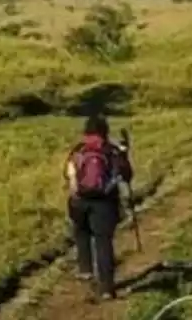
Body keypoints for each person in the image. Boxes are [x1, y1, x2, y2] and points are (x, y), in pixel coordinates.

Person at [63, 114, 134, 301]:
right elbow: (126, 175)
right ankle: (106, 288)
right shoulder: (112, 151)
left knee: (81, 231)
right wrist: (125, 154)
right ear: (105, 131)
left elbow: (67, 174)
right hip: (104, 203)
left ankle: (85, 269)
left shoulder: (78, 150)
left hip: (79, 201)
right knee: (103, 243)